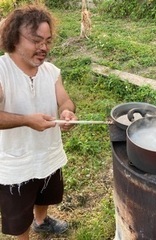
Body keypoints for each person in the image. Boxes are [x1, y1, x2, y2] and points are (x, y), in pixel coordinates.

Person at [0, 4, 77, 240]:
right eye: (36, 40)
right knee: (19, 213)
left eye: (48, 40)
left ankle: (41, 221)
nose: (43, 47)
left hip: (48, 153)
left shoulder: (51, 71)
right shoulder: (2, 72)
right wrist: (26, 121)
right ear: (14, 37)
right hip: (15, 162)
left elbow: (65, 101)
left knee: (46, 194)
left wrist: (67, 112)